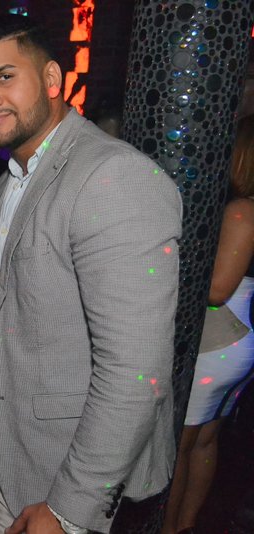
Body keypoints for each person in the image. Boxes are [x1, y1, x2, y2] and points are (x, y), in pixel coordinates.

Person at [0, 15, 182, 534]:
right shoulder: (11, 177)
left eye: (4, 76)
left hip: (59, 469)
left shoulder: (111, 176)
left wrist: (69, 509)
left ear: (53, 79)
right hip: (1, 441)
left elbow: (135, 372)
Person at [163, 115, 254, 534]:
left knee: (178, 445)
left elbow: (217, 290)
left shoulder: (243, 211)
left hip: (218, 339)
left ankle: (169, 528)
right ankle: (186, 525)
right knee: (204, 439)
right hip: (238, 340)